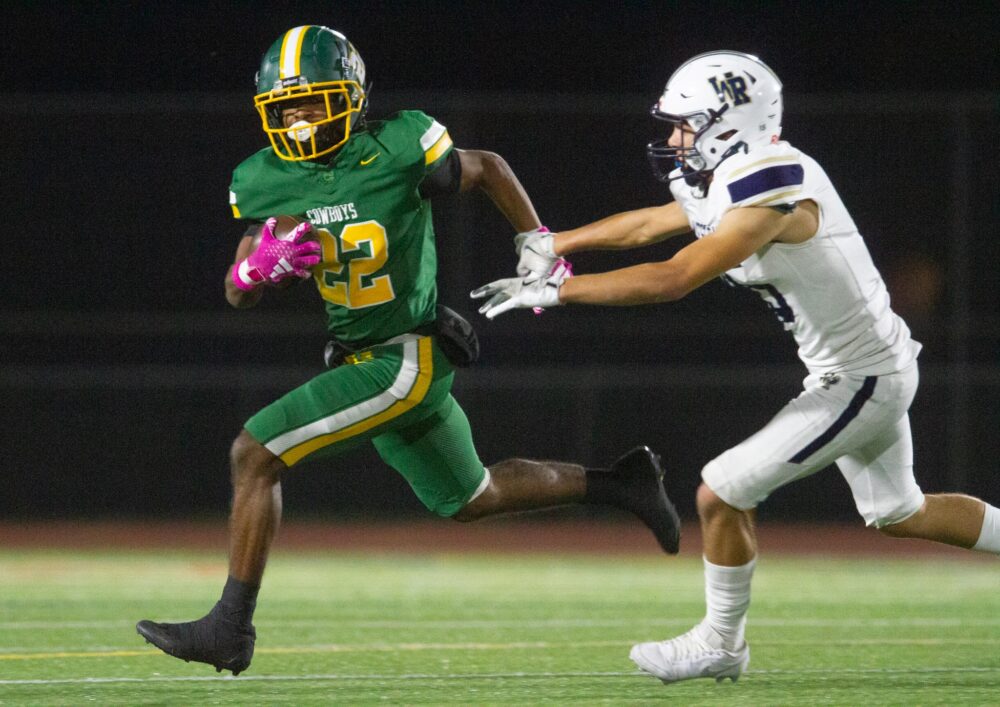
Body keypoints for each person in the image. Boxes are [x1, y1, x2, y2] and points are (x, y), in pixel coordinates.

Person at [134, 25, 681, 676]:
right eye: (287, 109)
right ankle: (622, 483)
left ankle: (229, 627)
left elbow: (488, 167)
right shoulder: (265, 179)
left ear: (351, 98)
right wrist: (255, 270)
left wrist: (535, 239)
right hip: (364, 358)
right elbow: (236, 290)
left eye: (312, 103)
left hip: (405, 357)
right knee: (472, 496)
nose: (300, 121)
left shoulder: (398, 147)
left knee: (254, 453)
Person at [472, 50, 1000, 685]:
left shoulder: (772, 188)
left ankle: (721, 644)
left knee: (721, 491)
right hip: (859, 366)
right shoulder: (733, 175)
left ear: (730, 122)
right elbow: (650, 225)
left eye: (685, 125)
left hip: (864, 375)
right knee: (901, 512)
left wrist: (560, 291)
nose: (674, 139)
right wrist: (554, 243)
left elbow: (675, 277)